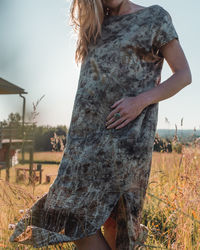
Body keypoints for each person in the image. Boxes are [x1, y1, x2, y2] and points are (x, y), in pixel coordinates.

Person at [9, 0, 192, 249]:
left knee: (117, 224)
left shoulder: (154, 17)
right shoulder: (94, 26)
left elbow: (183, 74)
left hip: (126, 138)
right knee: (76, 219)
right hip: (83, 141)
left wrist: (139, 101)